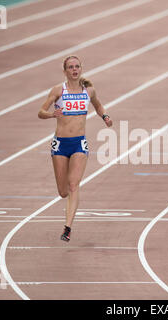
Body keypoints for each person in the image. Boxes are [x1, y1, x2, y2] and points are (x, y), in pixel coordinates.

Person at [38, 55, 112, 242]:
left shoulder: (89, 91)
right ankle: (68, 221)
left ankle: (68, 227)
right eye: (70, 67)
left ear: (81, 69)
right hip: (60, 145)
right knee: (63, 192)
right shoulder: (58, 90)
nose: (74, 70)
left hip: (79, 143)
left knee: (73, 185)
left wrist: (105, 117)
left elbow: (99, 106)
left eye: (77, 66)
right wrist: (51, 114)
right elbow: (41, 112)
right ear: (65, 71)